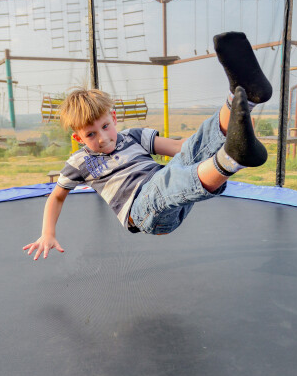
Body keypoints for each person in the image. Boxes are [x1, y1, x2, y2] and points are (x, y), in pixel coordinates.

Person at [23, 31, 272, 260]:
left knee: (188, 154)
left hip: (176, 196)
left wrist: (210, 140)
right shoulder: (79, 162)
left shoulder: (133, 136)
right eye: (90, 134)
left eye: (105, 127)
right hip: (143, 209)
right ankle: (231, 158)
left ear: (114, 118)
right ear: (78, 139)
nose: (102, 138)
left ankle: (244, 95)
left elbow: (180, 148)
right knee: (169, 179)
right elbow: (56, 197)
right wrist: (47, 233)